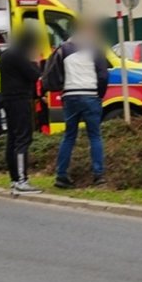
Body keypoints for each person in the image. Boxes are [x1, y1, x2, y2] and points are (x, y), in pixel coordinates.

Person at [47, 22, 109, 188]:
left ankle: (61, 175)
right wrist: (99, 95)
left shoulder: (63, 49)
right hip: (90, 95)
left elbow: (56, 74)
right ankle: (98, 176)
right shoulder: (95, 50)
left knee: (69, 136)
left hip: (70, 96)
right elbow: (103, 76)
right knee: (94, 136)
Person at [0, 27, 42, 195]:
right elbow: (34, 75)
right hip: (19, 99)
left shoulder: (7, 54)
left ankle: (14, 179)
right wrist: (35, 61)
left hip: (7, 99)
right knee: (23, 139)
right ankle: (22, 181)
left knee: (12, 138)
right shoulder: (20, 55)